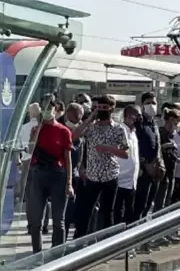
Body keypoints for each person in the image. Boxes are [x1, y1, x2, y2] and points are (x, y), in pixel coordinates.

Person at [74, 95, 129, 238]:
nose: (101, 111)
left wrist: (108, 148)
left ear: (112, 109)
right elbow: (74, 136)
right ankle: (79, 243)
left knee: (107, 212)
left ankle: (106, 242)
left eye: (105, 108)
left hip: (109, 174)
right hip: (92, 175)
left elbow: (125, 153)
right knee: (85, 211)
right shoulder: (91, 127)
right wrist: (90, 118)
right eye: (99, 108)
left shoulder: (118, 129)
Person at [27, 95, 74, 253]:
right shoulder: (36, 129)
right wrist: (38, 127)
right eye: (45, 107)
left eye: (51, 107)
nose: (48, 111)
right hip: (38, 172)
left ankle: (57, 252)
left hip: (57, 174)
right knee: (36, 221)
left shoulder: (63, 131)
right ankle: (36, 252)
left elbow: (68, 159)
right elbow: (29, 150)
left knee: (58, 220)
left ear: (56, 109)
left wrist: (69, 183)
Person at [133, 92, 164, 221]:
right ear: (142, 105)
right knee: (139, 205)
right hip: (142, 171)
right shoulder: (139, 123)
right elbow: (135, 146)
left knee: (149, 204)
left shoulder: (154, 124)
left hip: (155, 170)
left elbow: (157, 145)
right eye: (148, 103)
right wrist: (145, 163)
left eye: (154, 103)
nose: (151, 105)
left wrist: (159, 162)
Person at [58, 103, 84, 239]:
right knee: (63, 213)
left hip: (75, 173)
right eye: (75, 118)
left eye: (80, 119)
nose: (78, 121)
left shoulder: (80, 127)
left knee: (72, 211)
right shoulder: (59, 126)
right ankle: (59, 243)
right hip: (60, 173)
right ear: (67, 114)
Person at [114, 105, 140, 225]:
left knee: (129, 214)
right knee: (117, 213)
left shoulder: (134, 132)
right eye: (137, 115)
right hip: (120, 180)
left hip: (132, 182)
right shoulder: (120, 130)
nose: (139, 118)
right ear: (128, 116)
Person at [155, 108, 180, 213]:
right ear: (170, 119)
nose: (178, 124)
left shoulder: (172, 135)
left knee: (168, 198)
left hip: (171, 170)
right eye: (176, 122)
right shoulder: (160, 132)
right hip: (163, 169)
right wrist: (166, 146)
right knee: (161, 198)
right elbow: (156, 149)